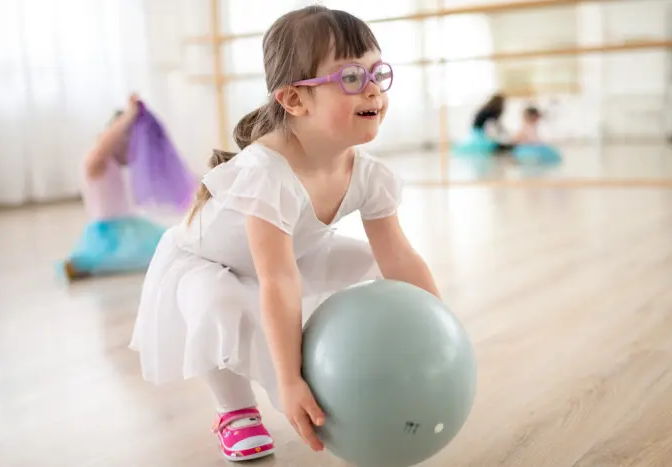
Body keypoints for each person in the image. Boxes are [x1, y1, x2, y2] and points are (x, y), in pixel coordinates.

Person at [128, 6, 440, 462]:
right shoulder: (265, 172)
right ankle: (234, 411)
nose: (373, 88)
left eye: (377, 73)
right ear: (294, 100)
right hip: (209, 263)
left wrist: (438, 327)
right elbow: (278, 281)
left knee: (373, 266)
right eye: (351, 77)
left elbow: (398, 257)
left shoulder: (368, 174)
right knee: (223, 307)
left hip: (293, 250)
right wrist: (291, 380)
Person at [59, 95, 196, 281]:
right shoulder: (96, 161)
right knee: (133, 256)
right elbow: (105, 144)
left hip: (130, 225)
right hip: (108, 232)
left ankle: (87, 266)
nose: (131, 149)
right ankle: (82, 265)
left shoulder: (113, 161)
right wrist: (130, 114)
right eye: (126, 141)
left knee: (166, 245)